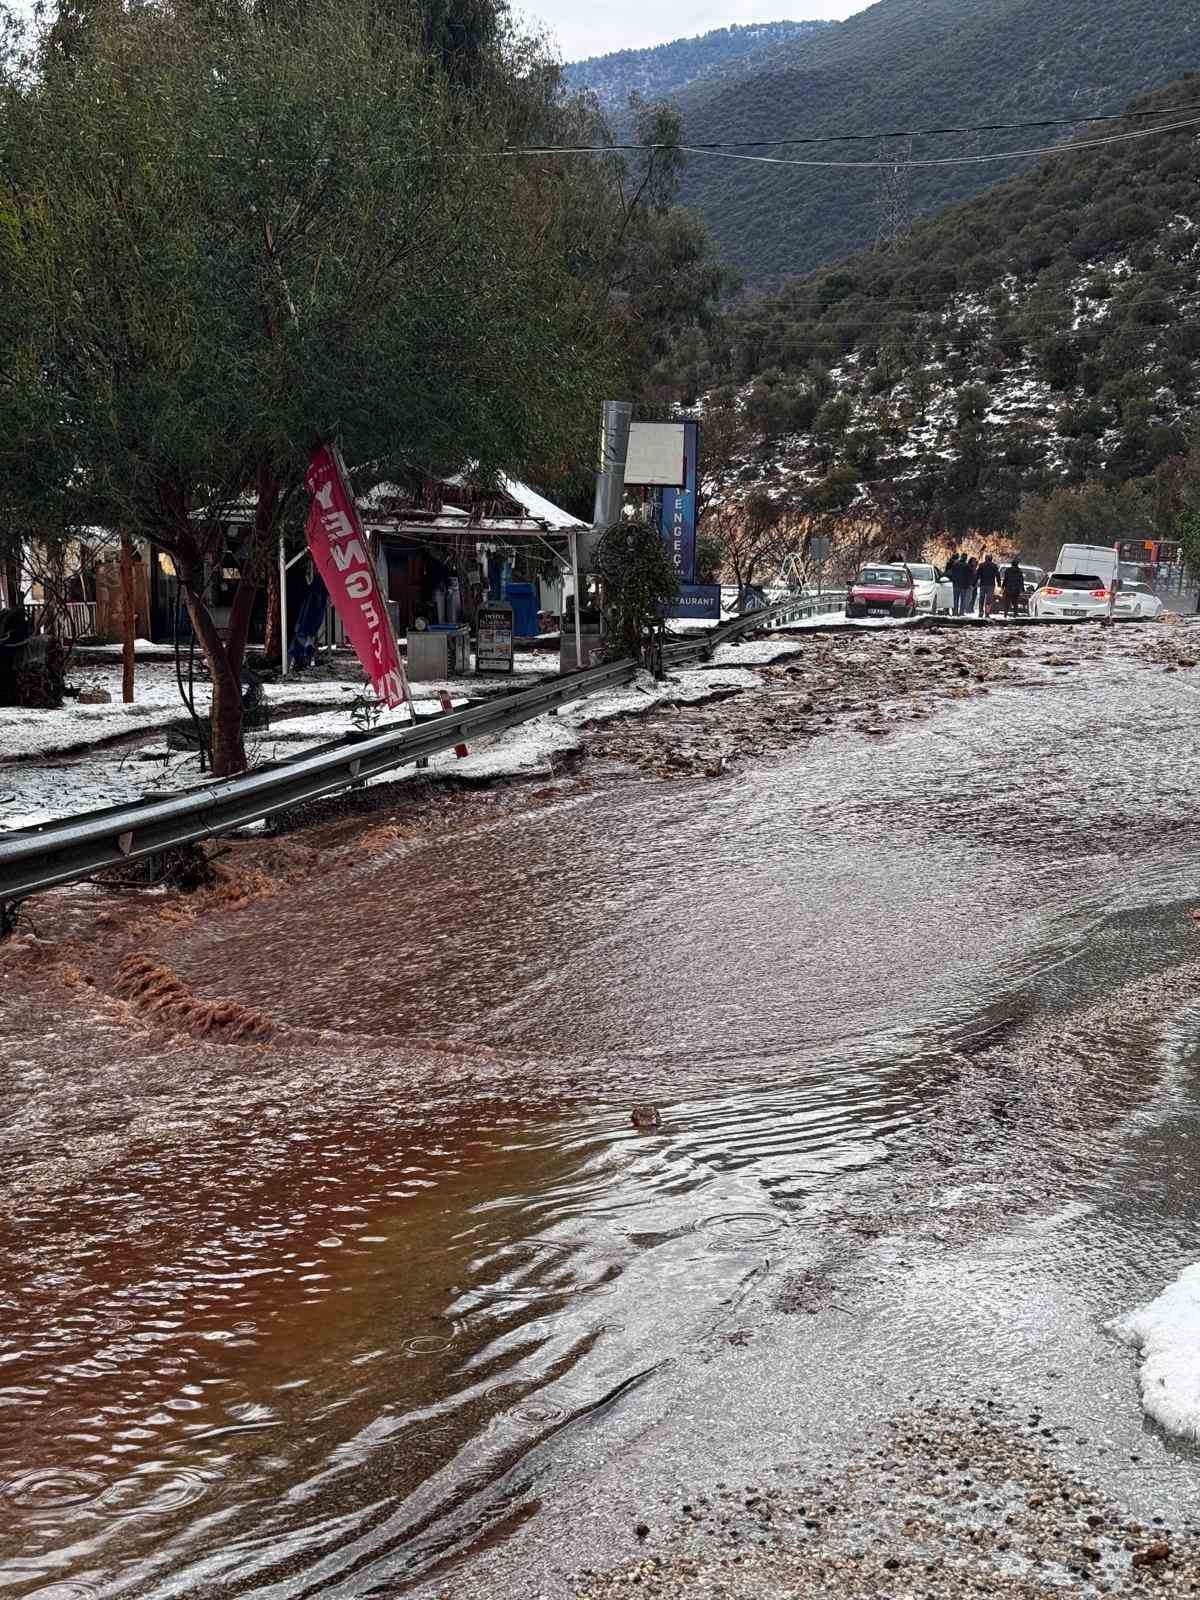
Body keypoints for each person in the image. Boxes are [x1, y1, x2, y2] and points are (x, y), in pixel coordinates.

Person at [976, 551, 1000, 617]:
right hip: (991, 585)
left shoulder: (981, 565)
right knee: (989, 600)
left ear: (985, 558)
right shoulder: (994, 566)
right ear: (991, 559)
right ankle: (987, 612)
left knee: (981, 599)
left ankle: (981, 612)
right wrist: (999, 583)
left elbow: (977, 574)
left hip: (983, 584)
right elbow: (997, 575)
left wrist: (975, 582)